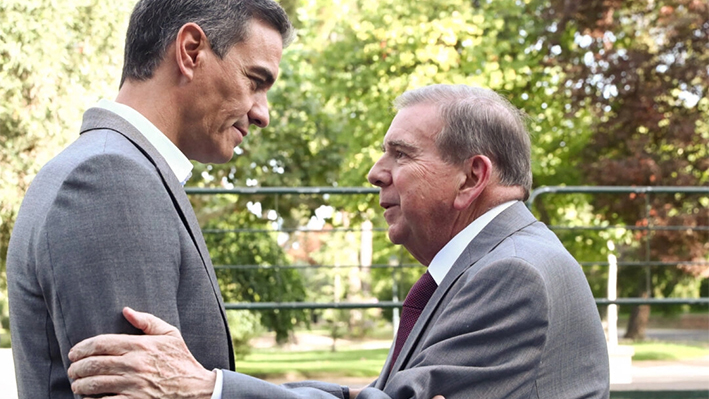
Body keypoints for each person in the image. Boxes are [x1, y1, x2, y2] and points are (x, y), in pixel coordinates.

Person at [67, 84, 610, 399]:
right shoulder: (501, 261)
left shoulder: (514, 276)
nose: (376, 173)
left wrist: (208, 390)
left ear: (472, 177)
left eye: (401, 154)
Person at [6, 1, 293, 398]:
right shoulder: (111, 179)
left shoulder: (109, 166)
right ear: (191, 51)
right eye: (255, 80)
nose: (262, 113)